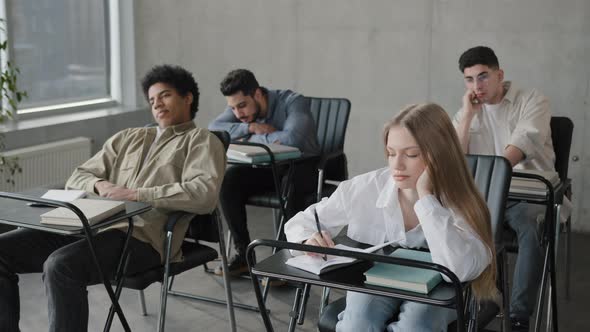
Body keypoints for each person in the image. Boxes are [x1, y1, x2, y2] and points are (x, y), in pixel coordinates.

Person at [0, 64, 226, 332]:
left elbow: (204, 194)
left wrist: (136, 194)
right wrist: (101, 184)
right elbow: (79, 176)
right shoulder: (128, 137)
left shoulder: (201, 141)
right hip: (86, 225)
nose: (157, 104)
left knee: (61, 266)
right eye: (152, 100)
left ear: (187, 98)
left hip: (142, 238)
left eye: (165, 95)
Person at [285, 103, 497, 332]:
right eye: (391, 153)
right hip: (378, 280)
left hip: (441, 291)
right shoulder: (365, 188)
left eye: (411, 154)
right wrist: (308, 240)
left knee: (416, 325)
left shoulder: (461, 199)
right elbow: (302, 222)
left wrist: (426, 198)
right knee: (357, 325)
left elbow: (460, 271)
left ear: (439, 154)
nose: (397, 165)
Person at [453, 46, 554, 332]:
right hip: (486, 195)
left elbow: (522, 144)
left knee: (531, 229)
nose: (477, 86)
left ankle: (519, 315)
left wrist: (487, 173)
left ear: (500, 75)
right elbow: (457, 160)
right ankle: (483, 300)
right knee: (451, 220)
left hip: (527, 192)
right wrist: (468, 118)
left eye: (483, 77)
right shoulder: (467, 111)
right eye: (469, 80)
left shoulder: (533, 100)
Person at [208, 69, 320, 276]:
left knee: (290, 185)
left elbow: (292, 139)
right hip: (270, 167)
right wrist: (251, 129)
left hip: (305, 166)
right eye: (232, 108)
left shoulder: (294, 101)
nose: (238, 114)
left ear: (258, 94)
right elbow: (214, 129)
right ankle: (243, 256)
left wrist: (248, 138)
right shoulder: (244, 115)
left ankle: (284, 261)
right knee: (229, 180)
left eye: (242, 105)